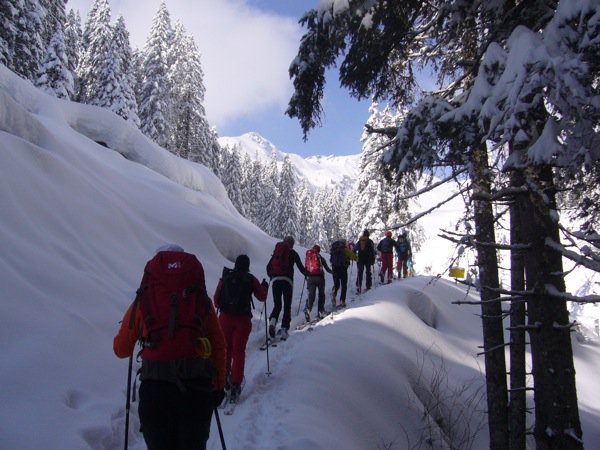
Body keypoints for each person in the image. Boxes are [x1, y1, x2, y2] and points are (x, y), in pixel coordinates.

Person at [113, 244, 226, 450]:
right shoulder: (200, 299)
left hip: (155, 396)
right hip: (196, 393)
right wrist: (217, 386)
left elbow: (121, 350)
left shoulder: (144, 299)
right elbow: (218, 343)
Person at [213, 254, 268, 403]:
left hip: (224, 319)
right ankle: (236, 384)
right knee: (238, 352)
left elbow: (216, 300)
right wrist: (265, 286)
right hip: (242, 321)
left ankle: (223, 379)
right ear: (247, 265)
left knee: (225, 350)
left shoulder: (226, 277)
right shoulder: (250, 279)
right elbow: (262, 297)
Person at [266, 236, 308, 340]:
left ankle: (272, 322)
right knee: (287, 305)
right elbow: (301, 268)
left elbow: (268, 267)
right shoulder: (293, 253)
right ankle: (284, 328)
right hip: (287, 281)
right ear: (292, 244)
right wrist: (308, 273)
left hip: (276, 281)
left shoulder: (277, 252)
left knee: (277, 305)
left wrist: (272, 276)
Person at [303, 244, 333, 321]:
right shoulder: (320, 257)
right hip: (320, 278)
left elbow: (306, 268)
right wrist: (333, 272)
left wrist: (307, 276)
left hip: (310, 278)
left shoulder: (308, 257)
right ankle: (321, 311)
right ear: (319, 251)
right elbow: (326, 268)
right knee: (321, 294)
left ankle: (308, 309)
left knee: (311, 295)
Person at [330, 239, 358, 308]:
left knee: (336, 284)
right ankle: (342, 301)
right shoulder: (345, 250)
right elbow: (355, 257)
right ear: (344, 243)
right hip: (343, 269)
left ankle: (334, 293)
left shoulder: (333, 250)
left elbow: (331, 260)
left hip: (335, 269)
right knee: (344, 285)